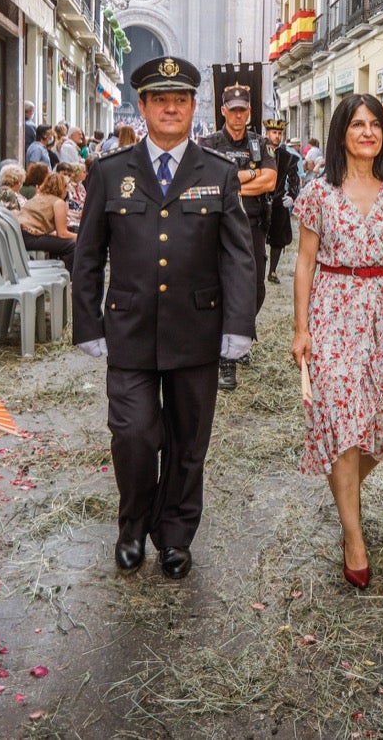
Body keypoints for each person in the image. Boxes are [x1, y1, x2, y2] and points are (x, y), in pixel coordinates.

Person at [72, 56, 256, 580]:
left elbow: (238, 256)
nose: (170, 107)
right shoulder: (110, 172)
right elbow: (87, 254)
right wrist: (88, 323)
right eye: (159, 99)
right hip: (127, 330)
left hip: (196, 331)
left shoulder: (218, 173)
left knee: (187, 441)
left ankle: (175, 533)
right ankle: (132, 525)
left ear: (194, 107)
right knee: (133, 435)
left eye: (180, 99)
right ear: (144, 107)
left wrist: (238, 325)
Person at [291, 95, 383, 587]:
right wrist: (301, 328)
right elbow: (304, 262)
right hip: (333, 309)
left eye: (376, 125)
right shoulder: (318, 193)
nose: (368, 132)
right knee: (342, 419)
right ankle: (354, 536)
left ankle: (343, 486)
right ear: (341, 131)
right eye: (358, 124)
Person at [201, 83, 277, 389]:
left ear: (249, 111)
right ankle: (226, 358)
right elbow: (205, 183)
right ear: (223, 111)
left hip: (252, 227)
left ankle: (241, 333)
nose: (238, 115)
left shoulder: (260, 143)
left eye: (242, 110)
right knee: (224, 289)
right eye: (232, 110)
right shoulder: (208, 142)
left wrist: (229, 185)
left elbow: (270, 181)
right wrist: (250, 175)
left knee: (255, 290)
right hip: (218, 227)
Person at [264, 118, 301, 284]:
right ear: (267, 133)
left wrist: (292, 196)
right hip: (259, 201)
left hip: (278, 202)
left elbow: (295, 180)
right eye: (274, 132)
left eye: (279, 133)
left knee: (278, 240)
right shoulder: (258, 151)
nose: (277, 136)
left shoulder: (287, 157)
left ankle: (272, 270)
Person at [17, 171, 77, 270]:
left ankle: (57, 270)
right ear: (63, 188)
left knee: (58, 242)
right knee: (72, 245)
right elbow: (62, 234)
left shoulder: (38, 197)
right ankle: (69, 277)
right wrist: (81, 237)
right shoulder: (58, 202)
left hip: (20, 234)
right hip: (31, 237)